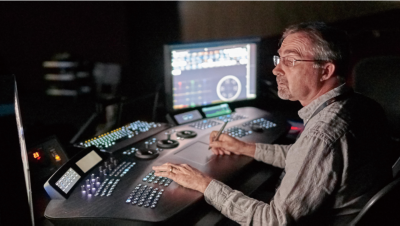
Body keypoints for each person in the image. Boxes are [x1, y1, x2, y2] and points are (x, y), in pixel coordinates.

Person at [153, 22, 392, 225]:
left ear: (325, 70)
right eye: (279, 58)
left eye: (290, 61)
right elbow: (307, 158)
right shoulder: (359, 105)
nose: (276, 69)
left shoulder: (323, 134)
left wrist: (203, 184)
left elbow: (274, 220)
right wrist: (245, 148)